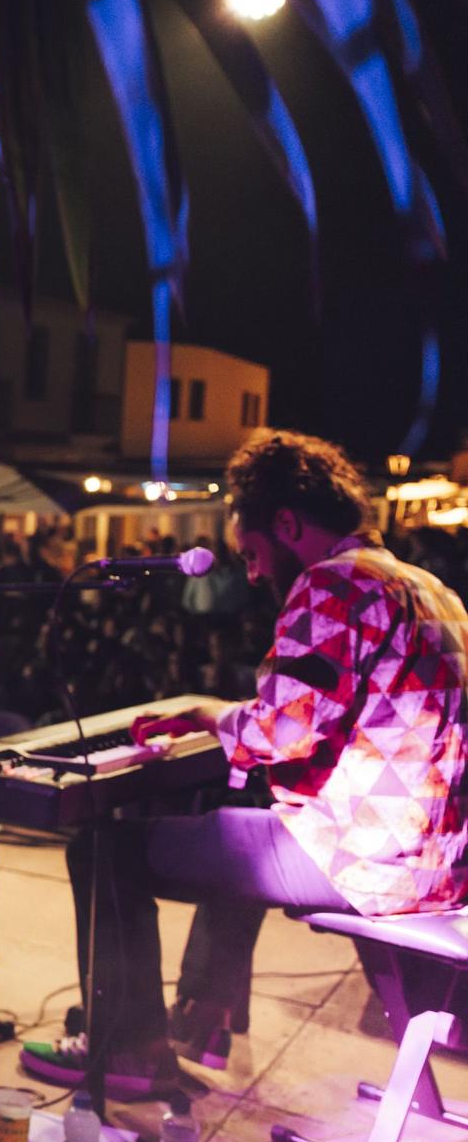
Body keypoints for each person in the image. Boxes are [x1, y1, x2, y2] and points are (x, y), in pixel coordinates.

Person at [23, 431, 468, 1096]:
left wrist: (214, 719)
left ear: (288, 524)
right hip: (442, 861)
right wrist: (224, 717)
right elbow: (327, 708)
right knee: (248, 823)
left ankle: (124, 1049)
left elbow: (282, 732)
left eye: (252, 554)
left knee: (103, 847)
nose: (255, 573)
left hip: (371, 862)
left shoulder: (332, 584)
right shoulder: (430, 590)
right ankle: (203, 1020)